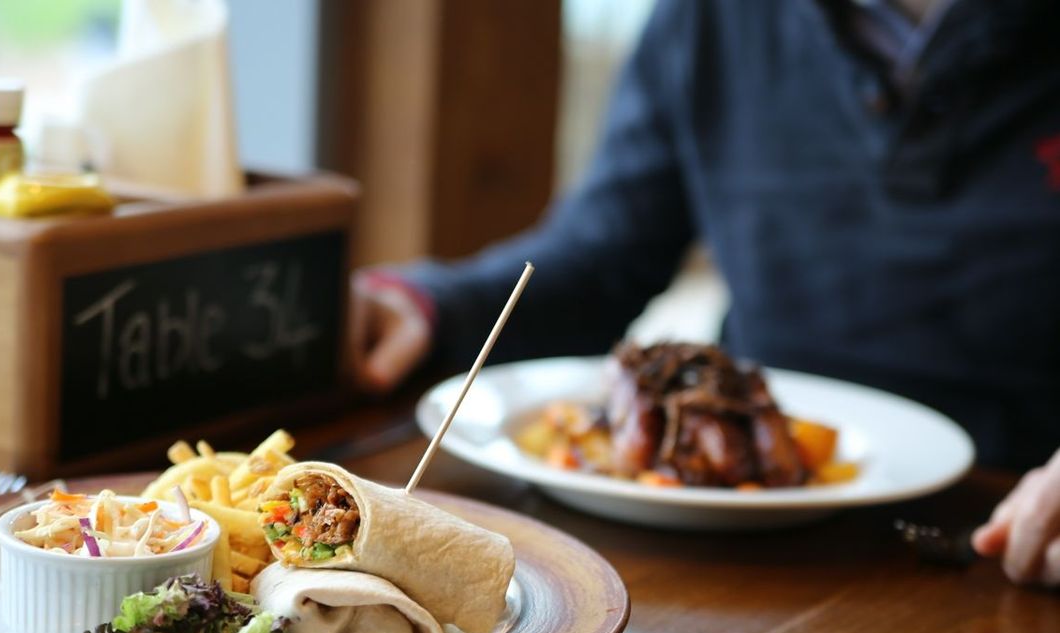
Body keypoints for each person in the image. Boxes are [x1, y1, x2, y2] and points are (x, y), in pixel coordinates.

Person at [349, 0, 1060, 584]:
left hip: (1005, 551)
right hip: (729, 551)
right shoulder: (712, 18)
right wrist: (424, 305)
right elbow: (601, 258)